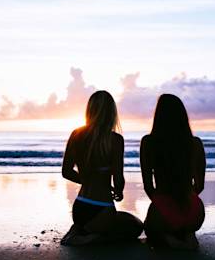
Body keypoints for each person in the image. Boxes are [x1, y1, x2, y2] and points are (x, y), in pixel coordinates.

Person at [60, 90, 143, 246]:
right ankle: (91, 239)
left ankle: (79, 229)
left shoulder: (76, 134)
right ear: (111, 113)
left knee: (118, 220)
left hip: (80, 207)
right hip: (103, 208)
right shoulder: (115, 140)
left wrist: (87, 181)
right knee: (136, 227)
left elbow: (66, 172)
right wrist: (118, 191)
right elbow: (118, 179)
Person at [140, 94, 206, 250]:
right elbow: (200, 185)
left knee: (150, 229)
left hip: (162, 209)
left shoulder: (149, 142)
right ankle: (187, 233)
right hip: (194, 211)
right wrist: (184, 198)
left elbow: (148, 186)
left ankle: (170, 239)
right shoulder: (195, 143)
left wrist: (163, 205)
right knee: (184, 224)